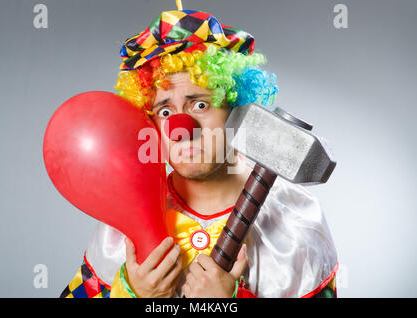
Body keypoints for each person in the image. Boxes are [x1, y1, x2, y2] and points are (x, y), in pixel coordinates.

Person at [60, 5, 338, 299]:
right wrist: (132, 293)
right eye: (165, 110)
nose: (181, 128)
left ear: (235, 106)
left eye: (200, 104)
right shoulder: (122, 227)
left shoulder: (296, 225)